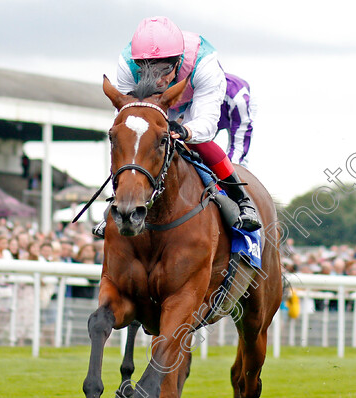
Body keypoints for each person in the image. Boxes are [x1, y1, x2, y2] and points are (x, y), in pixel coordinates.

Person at [93, 16, 260, 237]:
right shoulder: (126, 63)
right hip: (160, 103)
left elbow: (206, 125)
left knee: (201, 144)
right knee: (132, 140)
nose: (158, 79)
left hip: (207, 102)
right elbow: (126, 116)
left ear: (179, 60)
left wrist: (185, 131)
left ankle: (243, 199)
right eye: (146, 69)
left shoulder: (205, 63)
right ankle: (119, 200)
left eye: (164, 70)